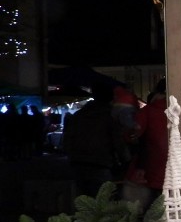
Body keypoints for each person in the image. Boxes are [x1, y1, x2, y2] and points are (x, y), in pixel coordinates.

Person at [62, 82, 126, 197]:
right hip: (101, 163)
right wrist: (126, 160)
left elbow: (68, 139)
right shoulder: (110, 116)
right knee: (103, 202)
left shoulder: (79, 115)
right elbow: (118, 142)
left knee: (84, 203)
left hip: (78, 164)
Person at [122, 78, 168, 211]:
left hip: (151, 174)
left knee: (150, 216)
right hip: (180, 174)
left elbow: (130, 136)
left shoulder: (149, 111)